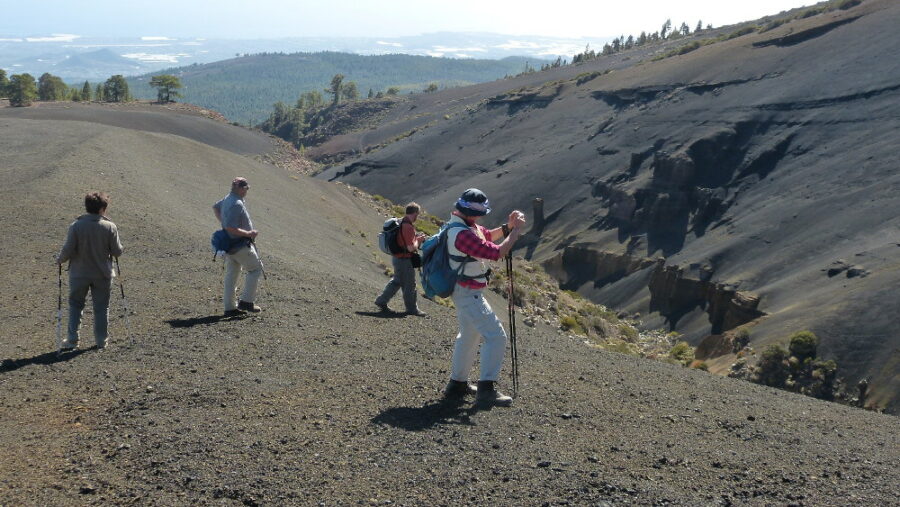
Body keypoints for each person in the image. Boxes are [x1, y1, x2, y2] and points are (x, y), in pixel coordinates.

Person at [442, 188, 526, 406]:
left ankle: (457, 384)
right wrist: (515, 233)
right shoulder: (462, 234)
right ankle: (486, 390)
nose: (480, 218)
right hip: (468, 293)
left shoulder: (462, 226)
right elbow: (495, 252)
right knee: (496, 337)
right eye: (479, 213)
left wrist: (507, 227)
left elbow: (486, 235)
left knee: (469, 336)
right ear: (469, 212)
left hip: (464, 290)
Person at [56, 191, 124, 350]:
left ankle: (72, 340)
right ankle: (101, 341)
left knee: (75, 305)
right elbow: (117, 252)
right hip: (103, 274)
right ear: (102, 208)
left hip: (79, 274)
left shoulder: (76, 226)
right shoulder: (110, 227)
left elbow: (68, 250)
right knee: (101, 307)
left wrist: (59, 260)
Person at [213, 177, 263, 316]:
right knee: (255, 270)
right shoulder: (236, 204)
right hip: (239, 245)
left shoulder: (228, 198)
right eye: (246, 188)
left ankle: (229, 308)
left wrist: (223, 222)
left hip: (228, 245)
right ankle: (246, 301)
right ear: (240, 188)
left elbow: (215, 207)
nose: (247, 191)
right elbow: (230, 227)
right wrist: (249, 233)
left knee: (232, 274)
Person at [375, 202, 428, 316]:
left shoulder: (400, 222)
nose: (417, 217)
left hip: (397, 258)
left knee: (397, 281)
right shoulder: (408, 227)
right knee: (410, 285)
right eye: (417, 214)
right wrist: (418, 240)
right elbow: (410, 248)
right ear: (414, 213)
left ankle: (381, 301)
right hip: (404, 260)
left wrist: (416, 238)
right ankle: (412, 309)